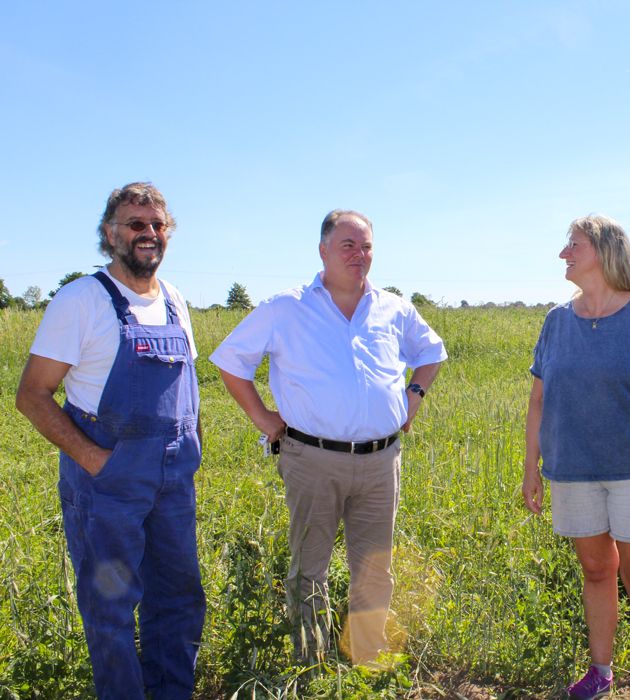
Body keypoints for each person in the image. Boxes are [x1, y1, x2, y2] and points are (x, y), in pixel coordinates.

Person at [209, 209, 447, 665]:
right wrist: (263, 418)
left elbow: (431, 352)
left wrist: (412, 396)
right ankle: (311, 660)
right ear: (323, 251)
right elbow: (230, 362)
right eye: (348, 246)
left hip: (381, 459)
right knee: (310, 566)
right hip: (312, 457)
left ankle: (366, 655)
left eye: (367, 246)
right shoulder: (287, 307)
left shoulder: (392, 307)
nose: (360, 255)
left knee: (376, 566)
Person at [15, 183, 205, 699]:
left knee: (179, 600)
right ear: (110, 234)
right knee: (112, 610)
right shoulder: (82, 299)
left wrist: (193, 448)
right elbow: (32, 394)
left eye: (157, 224)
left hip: (172, 481)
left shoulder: (175, 300)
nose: (148, 234)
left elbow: (185, 388)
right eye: (135, 224)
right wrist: (95, 461)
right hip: (109, 484)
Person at [522, 215, 630, 700]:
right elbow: (537, 400)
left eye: (573, 244)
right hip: (572, 473)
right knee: (596, 571)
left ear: (605, 250)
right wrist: (531, 467)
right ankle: (601, 671)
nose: (563, 254)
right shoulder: (556, 321)